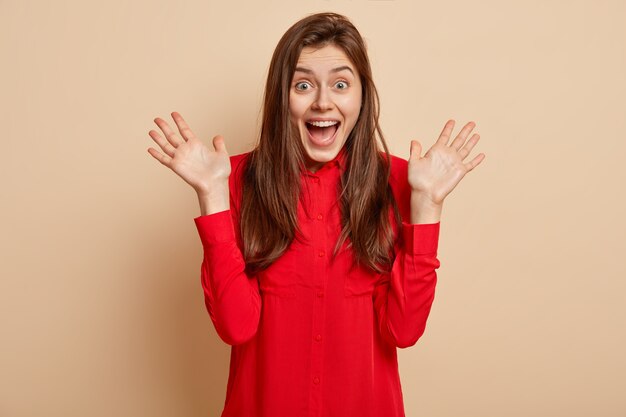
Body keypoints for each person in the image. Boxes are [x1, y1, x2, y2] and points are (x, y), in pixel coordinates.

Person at [146, 12, 484, 417]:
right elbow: (236, 327)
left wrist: (428, 203)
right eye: (303, 85)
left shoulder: (402, 181)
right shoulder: (231, 179)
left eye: (341, 84)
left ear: (362, 96)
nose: (323, 102)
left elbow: (404, 330)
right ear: (280, 96)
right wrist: (212, 195)